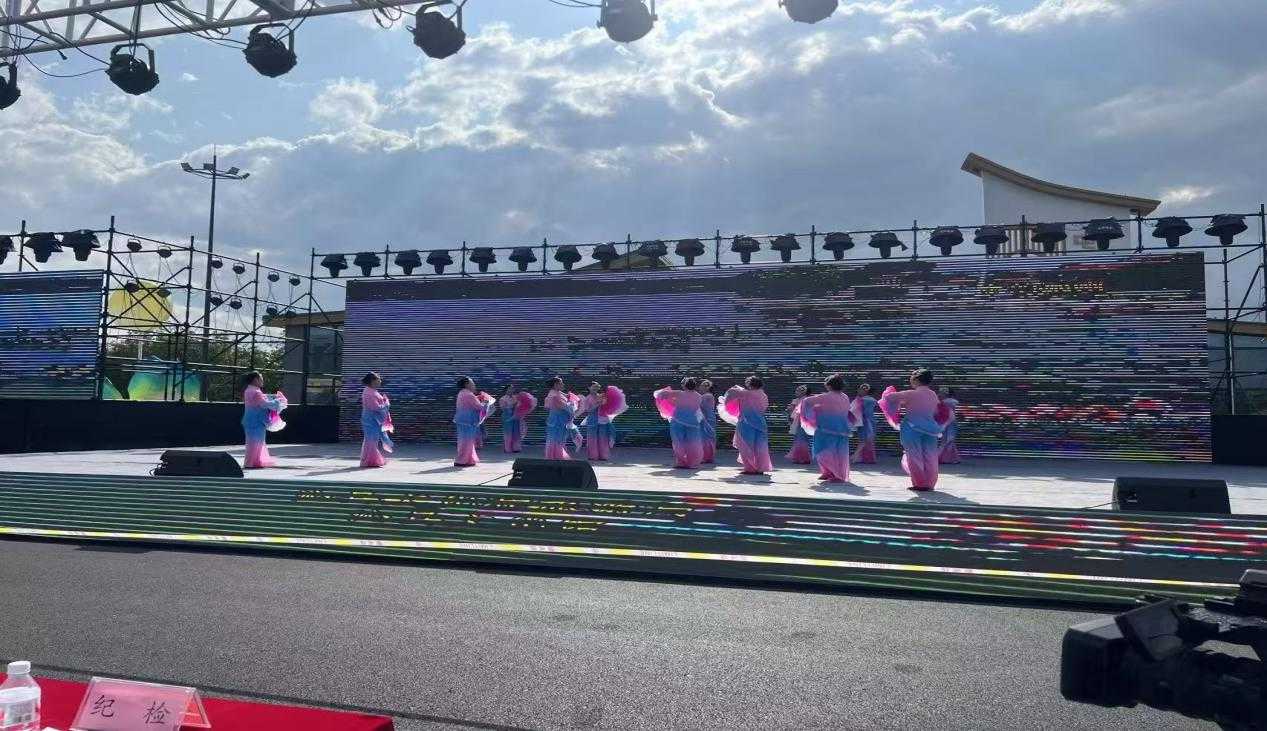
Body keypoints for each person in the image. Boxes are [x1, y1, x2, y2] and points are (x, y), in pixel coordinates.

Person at [878, 368, 950, 491]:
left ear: (916, 379)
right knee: (930, 457)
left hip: (912, 428)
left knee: (914, 455)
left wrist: (890, 391)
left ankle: (919, 483)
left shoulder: (911, 393)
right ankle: (929, 483)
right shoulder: (933, 395)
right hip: (931, 429)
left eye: (912, 377)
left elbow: (889, 398)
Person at [798, 373, 859, 482]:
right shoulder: (845, 397)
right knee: (839, 453)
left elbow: (806, 401)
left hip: (826, 428)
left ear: (829, 385)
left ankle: (834, 474)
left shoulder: (825, 396)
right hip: (842, 428)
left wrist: (814, 411)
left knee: (821, 450)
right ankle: (829, 473)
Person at [719, 376, 772, 475]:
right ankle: (761, 468)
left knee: (746, 446)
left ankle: (750, 468)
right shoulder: (763, 395)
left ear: (749, 384)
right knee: (761, 447)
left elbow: (731, 393)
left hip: (746, 422)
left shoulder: (745, 393)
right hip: (760, 423)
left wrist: (737, 388)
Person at [653, 379, 705, 468]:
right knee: (693, 443)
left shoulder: (679, 393)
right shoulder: (699, 396)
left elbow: (661, 394)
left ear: (685, 385)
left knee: (678, 442)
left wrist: (670, 402)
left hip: (678, 420)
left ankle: (681, 462)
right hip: (693, 422)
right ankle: (693, 463)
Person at [241, 371, 287, 469]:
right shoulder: (256, 392)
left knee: (254, 442)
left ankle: (254, 462)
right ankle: (251, 463)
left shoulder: (249, 390)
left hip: (251, 419)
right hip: (256, 420)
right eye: (261, 378)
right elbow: (264, 404)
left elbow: (262, 403)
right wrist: (278, 401)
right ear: (255, 380)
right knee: (256, 442)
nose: (262, 380)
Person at [453, 376, 496, 467]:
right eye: (472, 383)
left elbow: (472, 403)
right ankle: (461, 460)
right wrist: (487, 402)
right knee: (466, 441)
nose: (474, 385)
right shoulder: (468, 394)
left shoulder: (463, 393)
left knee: (466, 441)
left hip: (463, 420)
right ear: (466, 384)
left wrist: (478, 398)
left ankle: (468, 459)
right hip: (468, 421)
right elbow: (479, 407)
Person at [579, 382, 627, 461]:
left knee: (603, 438)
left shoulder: (601, 396)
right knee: (592, 438)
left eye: (597, 387)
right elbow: (588, 410)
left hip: (603, 420)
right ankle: (593, 455)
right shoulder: (588, 398)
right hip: (592, 420)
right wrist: (598, 404)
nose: (595, 388)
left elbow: (607, 407)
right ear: (589, 388)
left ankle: (604, 455)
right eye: (593, 387)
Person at [543, 377, 583, 460]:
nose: (563, 384)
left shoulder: (555, 393)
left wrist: (569, 398)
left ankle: (553, 456)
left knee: (555, 438)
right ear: (555, 385)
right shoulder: (555, 395)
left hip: (556, 419)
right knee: (558, 439)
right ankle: (557, 456)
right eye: (561, 383)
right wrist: (573, 405)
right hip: (558, 420)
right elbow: (566, 407)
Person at [360, 372, 393, 468]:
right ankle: (370, 461)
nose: (380, 381)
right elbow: (375, 407)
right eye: (378, 379)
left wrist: (384, 401)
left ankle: (369, 460)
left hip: (372, 419)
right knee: (371, 440)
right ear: (372, 381)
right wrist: (386, 403)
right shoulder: (369, 393)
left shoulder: (371, 391)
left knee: (371, 440)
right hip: (370, 420)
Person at [498, 384, 536, 454]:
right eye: (510, 389)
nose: (511, 390)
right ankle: (507, 448)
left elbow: (521, 404)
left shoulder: (516, 397)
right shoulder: (502, 399)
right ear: (506, 390)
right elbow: (503, 408)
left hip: (516, 415)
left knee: (516, 432)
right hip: (507, 416)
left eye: (512, 389)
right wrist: (512, 406)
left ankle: (516, 447)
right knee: (508, 432)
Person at [851, 384, 879, 465]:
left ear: (865, 391)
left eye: (860, 389)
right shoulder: (871, 400)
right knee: (868, 440)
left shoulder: (863, 400)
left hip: (865, 422)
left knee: (863, 440)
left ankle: (855, 456)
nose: (858, 391)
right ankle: (867, 458)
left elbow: (854, 410)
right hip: (868, 421)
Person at [786, 384, 813, 464]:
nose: (796, 392)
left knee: (800, 439)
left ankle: (802, 458)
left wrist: (790, 409)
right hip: (804, 422)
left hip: (801, 422)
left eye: (798, 390)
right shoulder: (808, 400)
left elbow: (791, 410)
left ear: (803, 392)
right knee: (802, 439)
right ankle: (801, 458)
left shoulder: (799, 400)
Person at [697, 379, 718, 464]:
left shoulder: (706, 396)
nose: (700, 387)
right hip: (708, 417)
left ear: (707, 387)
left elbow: (698, 405)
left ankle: (704, 457)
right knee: (708, 438)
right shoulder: (708, 395)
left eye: (701, 386)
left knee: (704, 438)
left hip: (706, 418)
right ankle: (708, 456)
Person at [939, 387, 961, 464]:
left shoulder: (945, 402)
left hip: (946, 421)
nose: (940, 394)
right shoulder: (951, 401)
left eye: (942, 393)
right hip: (950, 421)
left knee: (946, 440)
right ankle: (950, 458)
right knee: (949, 440)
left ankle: (945, 458)